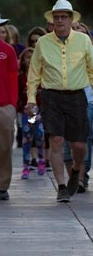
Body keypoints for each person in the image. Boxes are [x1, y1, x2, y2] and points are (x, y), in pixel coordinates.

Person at [26, 0, 93, 203]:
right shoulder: (43, 42)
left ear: (71, 20)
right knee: (56, 140)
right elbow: (34, 74)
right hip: (52, 96)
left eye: (64, 17)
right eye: (56, 17)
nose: (59, 20)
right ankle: (61, 185)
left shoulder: (83, 40)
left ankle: (76, 170)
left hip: (77, 95)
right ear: (52, 20)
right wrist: (31, 99)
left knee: (78, 144)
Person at [18, 48, 46, 180]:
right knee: (26, 138)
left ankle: (41, 160)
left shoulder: (41, 76)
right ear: (23, 60)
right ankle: (26, 165)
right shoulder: (21, 77)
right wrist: (20, 108)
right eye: (27, 58)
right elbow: (18, 95)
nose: (29, 60)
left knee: (39, 136)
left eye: (32, 57)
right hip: (25, 112)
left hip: (38, 111)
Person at [0, 14, 18, 201]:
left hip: (4, 106)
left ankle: (2, 184)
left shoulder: (8, 51)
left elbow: (13, 79)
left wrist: (12, 105)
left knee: (5, 146)